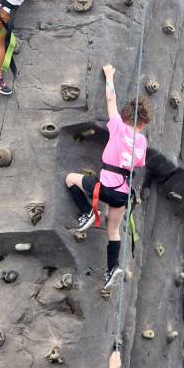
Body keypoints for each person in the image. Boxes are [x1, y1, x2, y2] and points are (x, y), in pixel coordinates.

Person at [66, 64, 151, 291]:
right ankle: (113, 268)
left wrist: (110, 76)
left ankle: (86, 213)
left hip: (106, 187)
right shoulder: (142, 141)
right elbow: (138, 163)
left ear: (125, 117)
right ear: (143, 124)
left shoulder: (118, 127)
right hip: (123, 194)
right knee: (113, 230)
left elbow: (111, 100)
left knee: (71, 179)